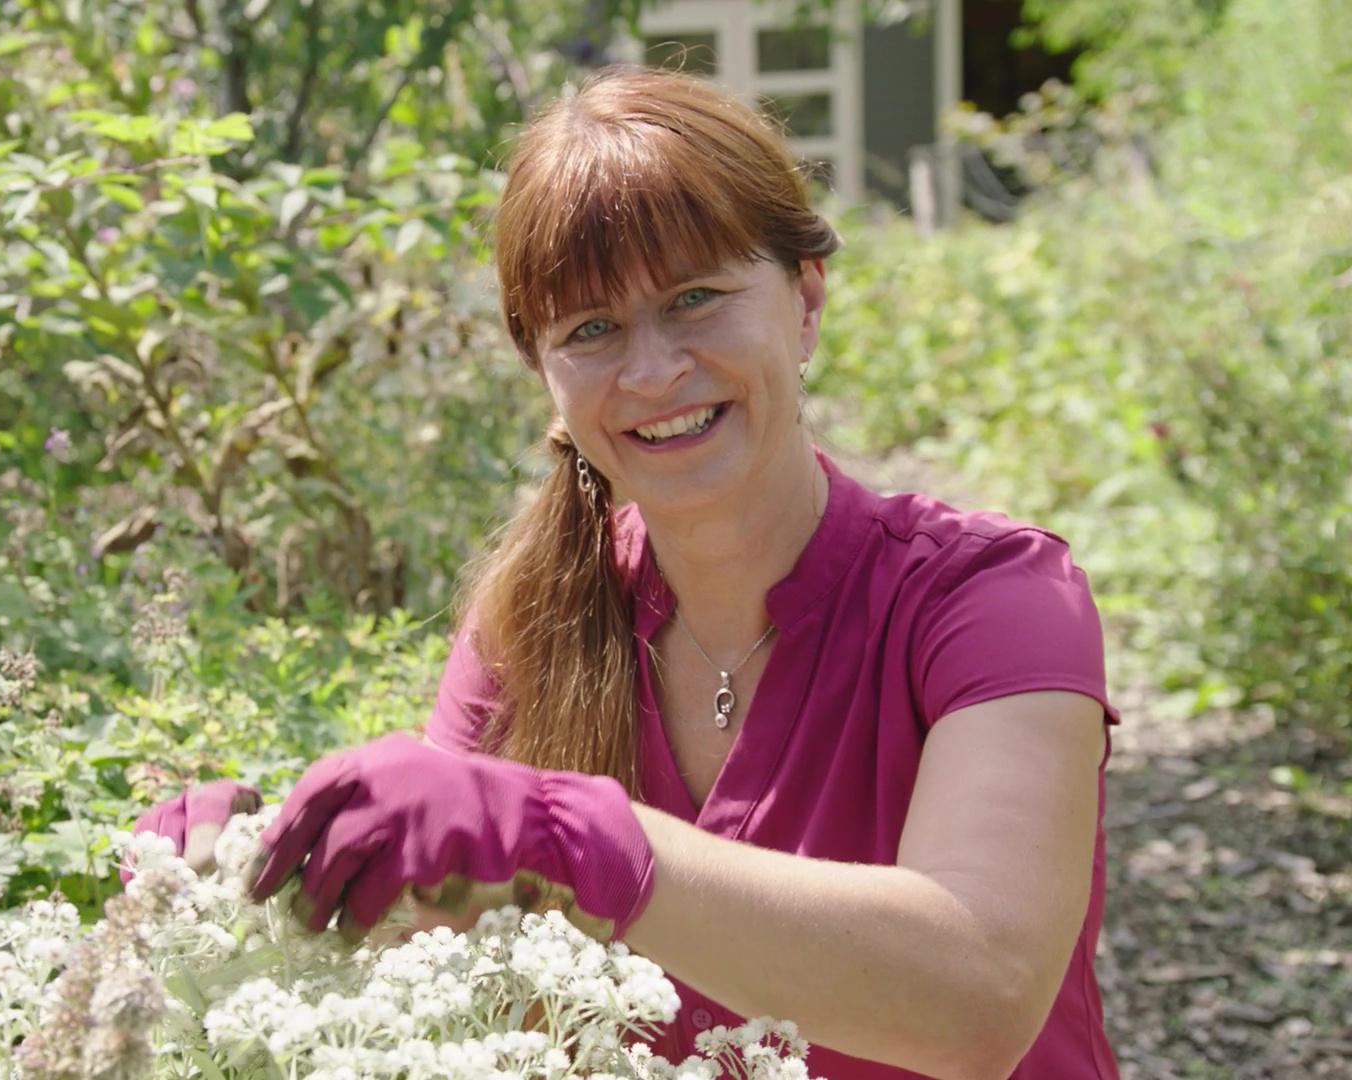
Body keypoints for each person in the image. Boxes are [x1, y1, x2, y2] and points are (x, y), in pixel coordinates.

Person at [133, 66, 1121, 1079]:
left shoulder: (995, 598)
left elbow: (979, 998)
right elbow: (438, 946)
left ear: (806, 299)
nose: (652, 371)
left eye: (696, 300)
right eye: (592, 330)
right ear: (546, 372)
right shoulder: (531, 623)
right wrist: (260, 865)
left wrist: (574, 841)